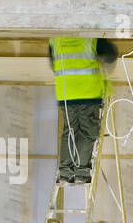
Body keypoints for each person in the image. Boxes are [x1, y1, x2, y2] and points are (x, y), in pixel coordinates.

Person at [48, 36, 118, 183]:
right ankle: (81, 172)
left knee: (70, 131)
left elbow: (53, 65)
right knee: (87, 132)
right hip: (88, 92)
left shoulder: (56, 40)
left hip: (65, 93)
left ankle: (65, 173)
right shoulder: (91, 38)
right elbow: (111, 55)